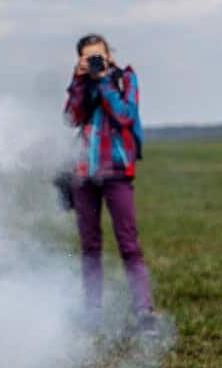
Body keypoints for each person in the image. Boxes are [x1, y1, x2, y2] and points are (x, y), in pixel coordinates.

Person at [64, 33, 158, 334]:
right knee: (89, 245)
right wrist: (80, 81)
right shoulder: (81, 82)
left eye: (98, 56)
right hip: (85, 172)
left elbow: (125, 115)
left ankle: (144, 311)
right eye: (88, 57)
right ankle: (92, 311)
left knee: (128, 243)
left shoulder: (124, 79)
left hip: (117, 170)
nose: (94, 61)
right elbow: (71, 118)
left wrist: (103, 80)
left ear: (109, 55)